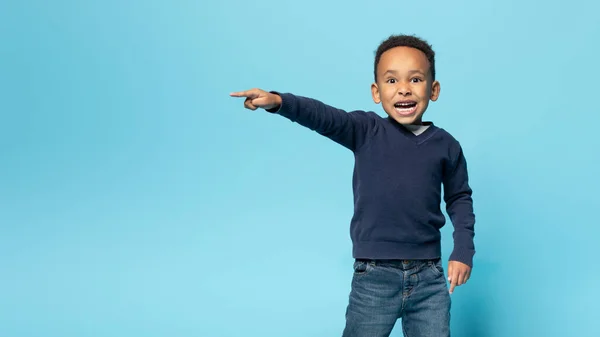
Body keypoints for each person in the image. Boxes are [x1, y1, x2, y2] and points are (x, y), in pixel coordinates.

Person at [230, 34, 475, 337]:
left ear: (433, 89)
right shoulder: (365, 130)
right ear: (376, 92)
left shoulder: (446, 146)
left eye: (415, 79)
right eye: (391, 81)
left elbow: (459, 198)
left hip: (430, 276)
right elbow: (324, 117)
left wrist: (463, 250)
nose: (403, 89)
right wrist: (280, 102)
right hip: (374, 276)